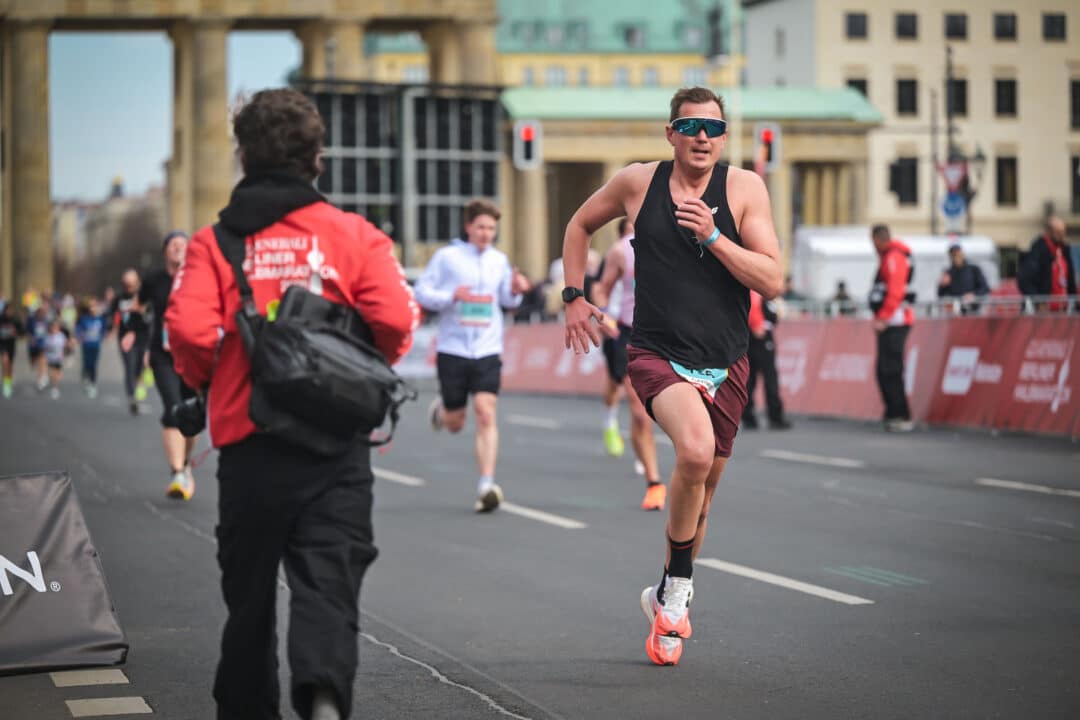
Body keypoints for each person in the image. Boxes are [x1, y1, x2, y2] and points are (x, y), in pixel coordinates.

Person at [166, 88, 418, 720]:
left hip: (249, 443)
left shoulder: (212, 244)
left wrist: (207, 384)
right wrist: (354, 368)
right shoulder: (355, 235)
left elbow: (191, 334)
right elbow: (394, 321)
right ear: (317, 159)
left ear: (244, 156)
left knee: (247, 601)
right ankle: (325, 697)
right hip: (336, 445)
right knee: (328, 584)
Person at [562, 87, 783, 666]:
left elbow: (772, 280)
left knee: (702, 498)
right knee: (692, 451)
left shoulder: (744, 189)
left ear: (724, 136)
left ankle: (665, 597)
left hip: (728, 359)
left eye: (713, 128)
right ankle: (680, 595)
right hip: (657, 353)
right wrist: (573, 297)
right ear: (671, 133)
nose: (702, 137)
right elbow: (579, 225)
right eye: (689, 126)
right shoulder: (639, 183)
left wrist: (714, 236)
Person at [414, 199, 531, 513]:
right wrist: (452, 295)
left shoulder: (498, 261)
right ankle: (442, 412)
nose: (485, 233)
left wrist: (518, 288)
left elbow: (506, 298)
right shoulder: (447, 258)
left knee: (485, 411)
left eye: (491, 228)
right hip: (453, 347)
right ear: (468, 227)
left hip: (488, 347)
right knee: (455, 422)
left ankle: (486, 484)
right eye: (480, 227)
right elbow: (421, 292)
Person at [592, 217, 667, 510]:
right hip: (629, 333)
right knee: (639, 412)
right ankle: (654, 482)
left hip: (669, 336)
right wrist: (602, 313)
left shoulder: (675, 242)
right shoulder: (621, 251)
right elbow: (601, 287)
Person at [140, 231, 200, 500]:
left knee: (191, 415)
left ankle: (185, 464)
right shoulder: (154, 279)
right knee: (172, 408)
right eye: (172, 244)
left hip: (192, 354)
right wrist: (133, 332)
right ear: (165, 251)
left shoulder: (199, 275)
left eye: (182, 244)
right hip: (162, 354)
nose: (177, 248)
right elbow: (138, 308)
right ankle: (177, 471)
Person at [869, 224, 915, 432]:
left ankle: (901, 414)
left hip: (895, 322)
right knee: (883, 370)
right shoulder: (889, 256)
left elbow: (895, 290)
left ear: (878, 239)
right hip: (890, 321)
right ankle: (892, 412)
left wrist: (884, 318)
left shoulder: (893, 257)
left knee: (891, 369)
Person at [742, 290, 791, 430]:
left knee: (750, 381)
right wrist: (757, 325)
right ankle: (774, 417)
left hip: (749, 340)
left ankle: (748, 417)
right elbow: (767, 316)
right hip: (761, 342)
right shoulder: (758, 296)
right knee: (769, 379)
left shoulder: (754, 295)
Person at [109, 269, 150, 415]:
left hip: (142, 336)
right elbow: (111, 313)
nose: (129, 288)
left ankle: (138, 385)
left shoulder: (144, 296)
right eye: (126, 285)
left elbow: (152, 316)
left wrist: (142, 311)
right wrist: (110, 328)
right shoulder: (119, 298)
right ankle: (132, 397)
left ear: (137, 282)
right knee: (130, 365)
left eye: (131, 285)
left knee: (140, 365)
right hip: (125, 337)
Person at [1018, 216, 1075, 312]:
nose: (1062, 235)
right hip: (1045, 312)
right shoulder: (1038, 250)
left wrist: (1074, 298)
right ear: (1049, 232)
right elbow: (1024, 279)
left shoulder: (1064, 250)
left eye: (1063, 231)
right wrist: (1038, 301)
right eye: (1058, 232)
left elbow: (1069, 279)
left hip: (1064, 309)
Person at [937, 243, 988, 314]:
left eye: (958, 253)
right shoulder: (948, 272)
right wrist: (942, 285)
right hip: (955, 311)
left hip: (973, 310)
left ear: (962, 254)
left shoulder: (974, 269)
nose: (956, 256)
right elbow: (940, 294)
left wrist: (973, 295)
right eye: (953, 254)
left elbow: (984, 288)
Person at [75, 297, 107, 398]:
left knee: (93, 365)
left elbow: (103, 330)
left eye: (94, 306)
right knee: (86, 363)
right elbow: (78, 329)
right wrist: (79, 336)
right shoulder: (84, 318)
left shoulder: (100, 318)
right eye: (91, 306)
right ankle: (86, 378)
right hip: (86, 345)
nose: (93, 308)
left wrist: (103, 336)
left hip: (95, 345)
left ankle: (93, 383)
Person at [42, 318, 72, 400]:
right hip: (50, 358)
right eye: (52, 327)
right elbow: (44, 348)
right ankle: (53, 387)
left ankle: (55, 386)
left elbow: (66, 346)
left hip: (58, 358)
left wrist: (67, 355)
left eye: (56, 327)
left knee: (58, 374)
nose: (54, 329)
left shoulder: (61, 336)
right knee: (52, 373)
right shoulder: (47, 337)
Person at [0, 302, 25, 398]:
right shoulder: (1, 319)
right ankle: (6, 385)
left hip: (11, 345)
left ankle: (8, 382)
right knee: (5, 362)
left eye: (11, 310)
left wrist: (17, 333)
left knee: (9, 366)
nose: (9, 312)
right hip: (3, 344)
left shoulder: (15, 320)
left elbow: (22, 332)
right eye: (7, 310)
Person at [25, 305, 50, 391]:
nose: (42, 314)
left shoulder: (46, 321)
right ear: (37, 313)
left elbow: (50, 331)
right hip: (33, 345)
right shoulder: (31, 320)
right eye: (40, 312)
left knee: (42, 360)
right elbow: (27, 331)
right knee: (33, 363)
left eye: (43, 313)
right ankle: (42, 376)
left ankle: (42, 379)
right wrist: (30, 338)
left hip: (42, 344)